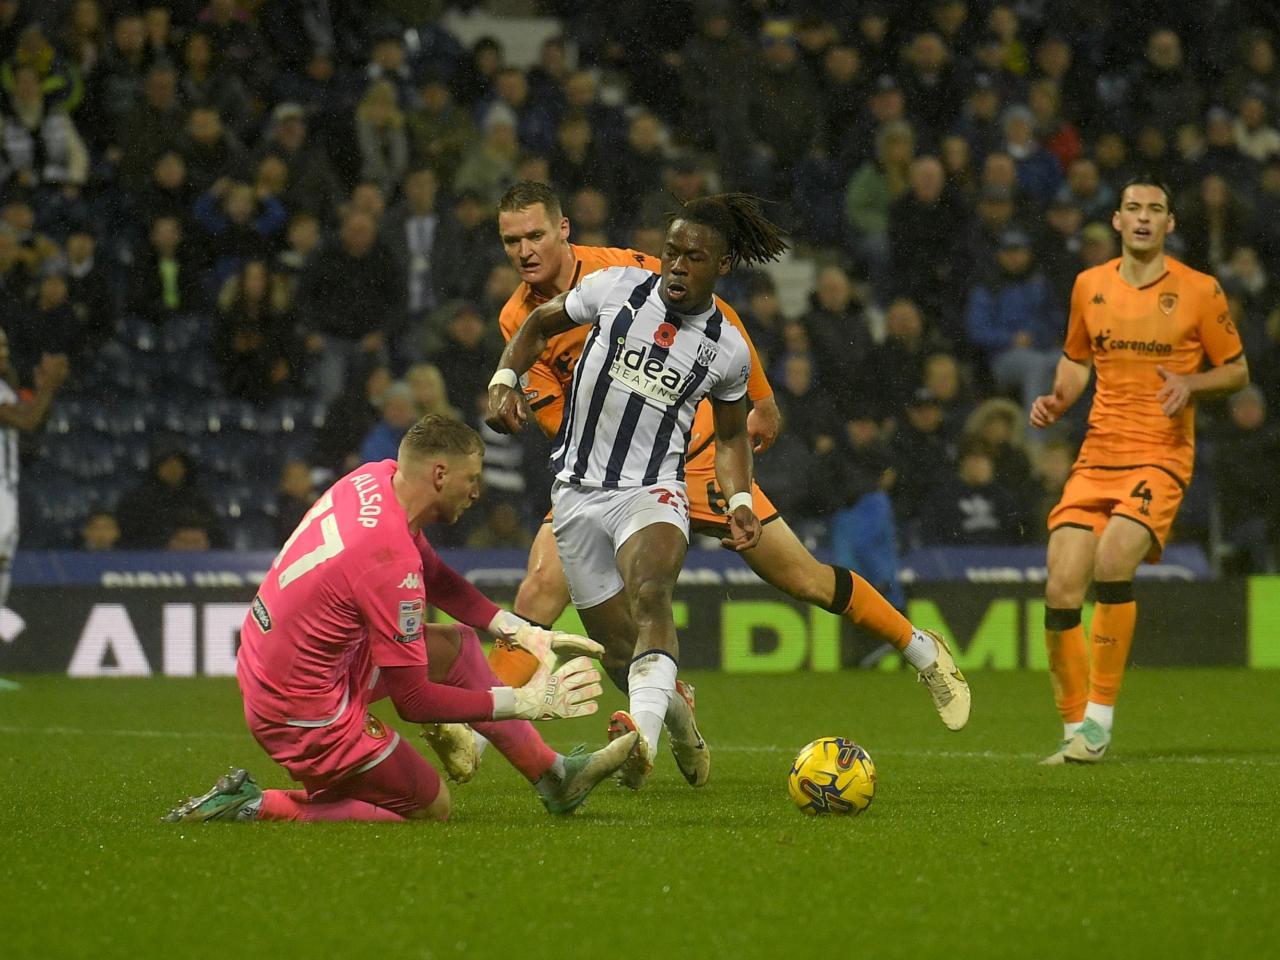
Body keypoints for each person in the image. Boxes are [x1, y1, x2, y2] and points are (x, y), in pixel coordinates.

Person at [483, 184, 970, 789]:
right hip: (603, 476)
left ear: (562, 231)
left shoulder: (623, 270)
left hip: (698, 461)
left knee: (802, 578)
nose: (525, 251)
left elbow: (718, 319)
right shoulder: (518, 318)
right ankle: (494, 730)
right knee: (547, 596)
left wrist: (760, 398)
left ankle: (923, 650)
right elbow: (554, 409)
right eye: (511, 241)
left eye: (534, 235)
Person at [163, 416, 638, 824]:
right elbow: (414, 700)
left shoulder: (375, 479)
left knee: (458, 647)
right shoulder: (387, 560)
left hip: (288, 665)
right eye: (471, 478)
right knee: (430, 806)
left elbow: (434, 574)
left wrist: (515, 628)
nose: (477, 492)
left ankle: (555, 779)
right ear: (438, 474)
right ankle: (255, 804)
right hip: (301, 711)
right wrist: (525, 700)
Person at [1030, 175, 1249, 765]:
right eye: (1134, 208)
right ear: (1119, 222)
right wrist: (1057, 399)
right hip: (1097, 454)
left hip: (1161, 455)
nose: (1145, 217)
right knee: (1060, 584)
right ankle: (1075, 729)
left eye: (1156, 209)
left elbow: (1236, 370)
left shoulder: (1200, 291)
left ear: (1170, 224)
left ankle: (1099, 720)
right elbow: (1077, 359)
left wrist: (1192, 382)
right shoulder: (1088, 286)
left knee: (1111, 560)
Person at [0, 332, 68, 611]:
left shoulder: (4, 387)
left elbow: (31, 427)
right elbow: (27, 420)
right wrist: (50, 386)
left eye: (4, 344)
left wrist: (43, 393)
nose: (2, 351)